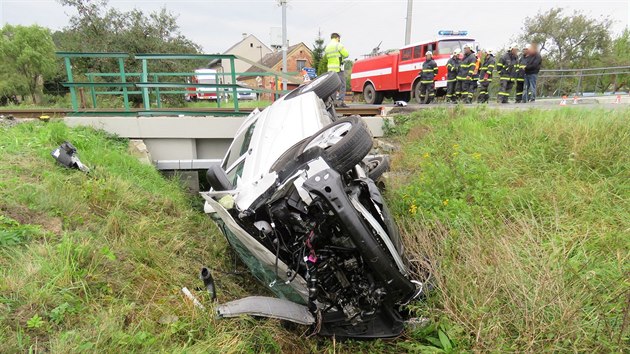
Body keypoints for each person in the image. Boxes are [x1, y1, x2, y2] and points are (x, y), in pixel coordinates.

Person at [325, 33, 350, 107]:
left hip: (330, 69)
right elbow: (346, 54)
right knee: (342, 85)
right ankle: (340, 101)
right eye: (339, 38)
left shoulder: (327, 47)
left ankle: (333, 102)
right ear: (337, 38)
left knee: (333, 86)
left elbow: (327, 58)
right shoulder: (338, 45)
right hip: (338, 68)